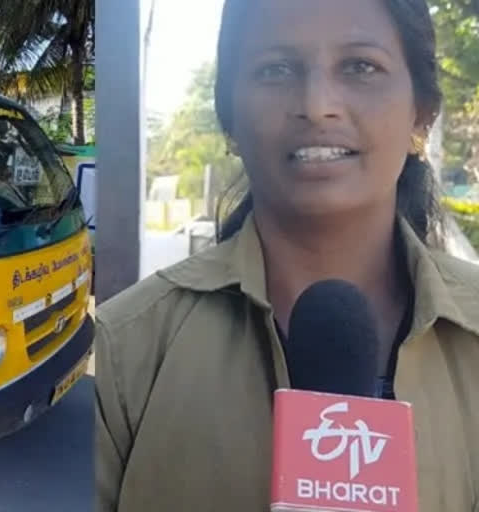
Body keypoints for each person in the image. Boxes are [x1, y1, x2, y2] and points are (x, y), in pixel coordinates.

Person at [94, 1, 479, 510]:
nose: (317, 105)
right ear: (229, 121)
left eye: (361, 67)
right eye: (275, 69)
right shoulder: (127, 350)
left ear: (421, 115)